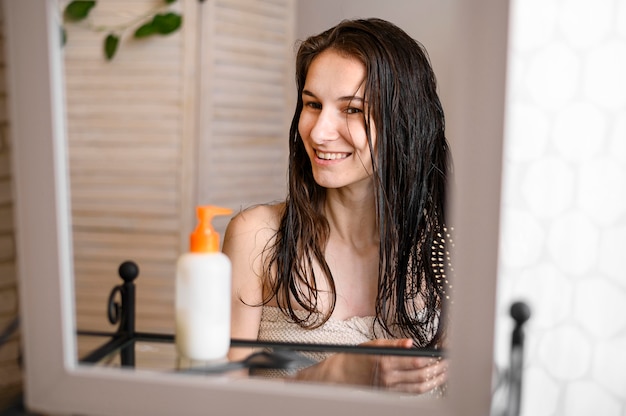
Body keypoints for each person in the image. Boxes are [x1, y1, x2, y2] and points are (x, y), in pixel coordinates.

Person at [222, 17, 452, 396]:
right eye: (312, 104)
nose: (317, 131)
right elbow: (216, 404)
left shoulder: (446, 251)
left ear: (403, 122)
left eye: (351, 110)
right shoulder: (257, 238)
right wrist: (340, 372)